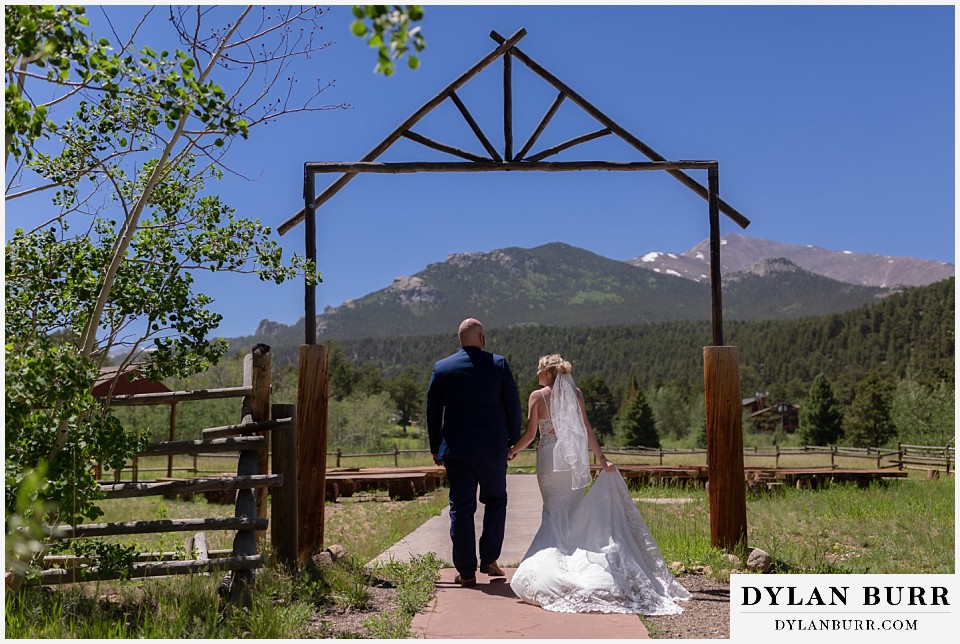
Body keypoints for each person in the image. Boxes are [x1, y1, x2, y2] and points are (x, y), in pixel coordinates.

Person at [506, 354, 691, 614]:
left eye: (539, 369)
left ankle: (556, 566)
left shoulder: (538, 397)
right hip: (572, 463)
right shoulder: (576, 394)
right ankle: (575, 558)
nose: (536, 373)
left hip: (549, 460)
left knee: (553, 511)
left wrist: (513, 450)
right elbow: (587, 429)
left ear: (548, 374)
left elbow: (530, 434)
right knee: (572, 512)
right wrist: (602, 460)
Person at [427, 318, 523, 587]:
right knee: (496, 500)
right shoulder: (498, 364)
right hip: (492, 448)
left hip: (456, 450)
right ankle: (490, 560)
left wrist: (436, 447)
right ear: (481, 338)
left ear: (460, 339)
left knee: (461, 508)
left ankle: (466, 571)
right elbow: (512, 406)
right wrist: (513, 441)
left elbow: (433, 411)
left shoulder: (442, 368)